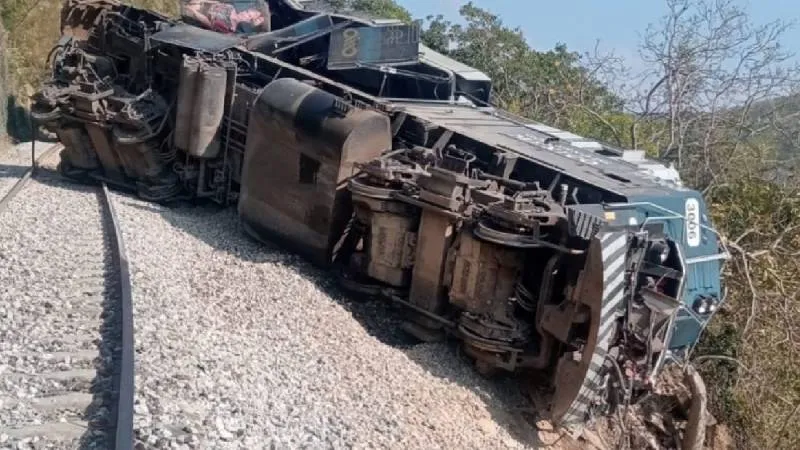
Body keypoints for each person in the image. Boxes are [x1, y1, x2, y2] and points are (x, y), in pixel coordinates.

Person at [182, 0, 270, 34]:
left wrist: (193, 12)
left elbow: (207, 23)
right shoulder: (232, 7)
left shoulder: (230, 27)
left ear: (247, 21)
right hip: (201, 5)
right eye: (247, 11)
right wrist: (202, 0)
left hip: (197, 17)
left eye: (248, 16)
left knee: (189, 8)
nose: (244, 13)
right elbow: (216, 2)